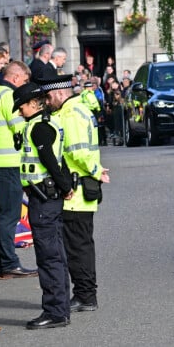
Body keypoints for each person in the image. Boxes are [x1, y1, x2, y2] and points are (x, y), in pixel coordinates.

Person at [40, 74, 110, 313]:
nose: (47, 102)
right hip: (80, 190)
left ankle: (85, 295)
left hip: (76, 193)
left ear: (60, 93)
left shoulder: (70, 115)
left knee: (78, 248)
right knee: (80, 246)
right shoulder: (76, 110)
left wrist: (96, 170)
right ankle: (85, 294)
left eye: (49, 97)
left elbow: (78, 152)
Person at [12, 82, 72, 330]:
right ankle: (60, 309)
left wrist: (65, 186)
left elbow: (49, 160)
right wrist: (66, 186)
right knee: (55, 255)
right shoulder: (43, 125)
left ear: (32, 104)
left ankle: (55, 311)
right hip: (48, 197)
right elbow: (59, 160)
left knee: (49, 258)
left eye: (21, 106)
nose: (19, 111)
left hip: (43, 199)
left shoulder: (39, 129)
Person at [0, 61, 37, 278]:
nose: (23, 86)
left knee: (0, 213)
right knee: (9, 214)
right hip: (7, 162)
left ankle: (2, 262)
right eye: (24, 81)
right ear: (15, 78)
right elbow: (20, 127)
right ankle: (9, 263)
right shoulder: (7, 95)